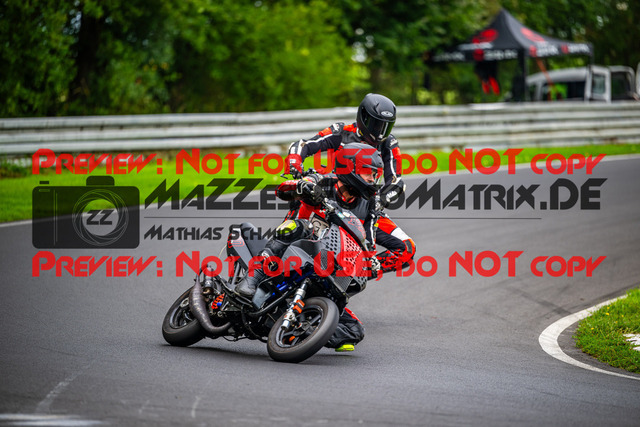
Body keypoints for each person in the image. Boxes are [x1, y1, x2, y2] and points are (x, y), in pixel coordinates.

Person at [235, 143, 384, 351]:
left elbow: (368, 240)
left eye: (375, 175)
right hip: (294, 248)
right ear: (350, 167)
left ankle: (300, 327)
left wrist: (371, 260)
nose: (372, 179)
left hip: (324, 264)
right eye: (368, 173)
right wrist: (302, 187)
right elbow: (282, 189)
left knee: (354, 331)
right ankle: (255, 274)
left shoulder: (370, 203)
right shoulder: (323, 180)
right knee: (299, 227)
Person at [287, 93, 415, 275]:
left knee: (407, 248)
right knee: (303, 193)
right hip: (329, 198)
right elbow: (303, 145)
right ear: (363, 117)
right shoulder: (341, 131)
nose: (380, 132)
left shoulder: (389, 143)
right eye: (377, 124)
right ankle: (276, 252)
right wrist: (295, 164)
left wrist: (381, 199)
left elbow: (396, 181)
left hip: (365, 207)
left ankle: (353, 275)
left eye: (386, 126)